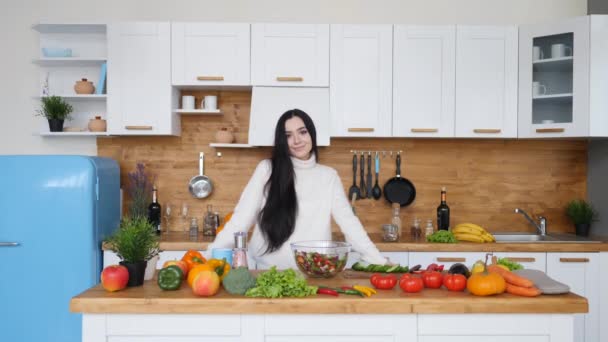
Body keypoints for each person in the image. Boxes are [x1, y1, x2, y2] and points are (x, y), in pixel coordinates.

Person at [205, 109, 387, 269]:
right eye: (288, 135)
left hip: (313, 273)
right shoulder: (267, 169)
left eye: (302, 132)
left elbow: (349, 223)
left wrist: (378, 260)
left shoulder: (328, 176)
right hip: (265, 272)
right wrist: (206, 257)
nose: (297, 140)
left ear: (311, 135)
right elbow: (240, 220)